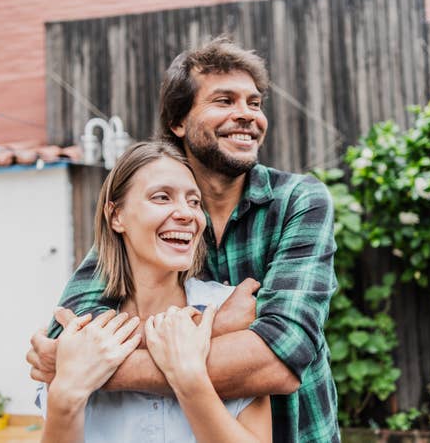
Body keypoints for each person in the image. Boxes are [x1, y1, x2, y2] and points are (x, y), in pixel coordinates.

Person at [28, 37, 340, 442]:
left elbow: (280, 358)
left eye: (254, 103)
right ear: (178, 122)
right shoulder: (150, 222)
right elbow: (62, 335)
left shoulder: (298, 201)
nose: (246, 115)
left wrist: (88, 366)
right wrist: (215, 326)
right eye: (225, 101)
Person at [40, 141, 272, 442]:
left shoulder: (233, 311)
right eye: (162, 197)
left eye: (193, 202)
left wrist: (189, 380)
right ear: (116, 216)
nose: (187, 214)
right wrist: (65, 395)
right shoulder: (79, 331)